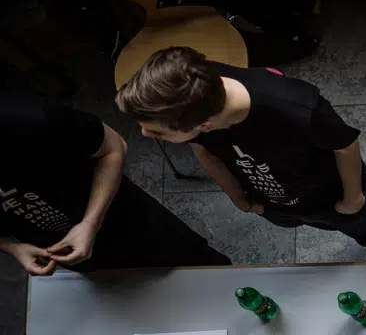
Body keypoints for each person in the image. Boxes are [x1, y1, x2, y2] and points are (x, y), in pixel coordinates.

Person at [115, 46, 366, 263]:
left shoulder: (296, 108)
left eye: (157, 133)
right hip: (277, 201)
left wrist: (353, 197)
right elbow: (202, 147)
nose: (146, 135)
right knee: (326, 226)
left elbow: (345, 145)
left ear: (205, 122)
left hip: (333, 196)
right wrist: (239, 198)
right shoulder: (194, 101)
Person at [1, 88, 229, 275]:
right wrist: (13, 248)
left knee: (208, 272)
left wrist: (90, 223)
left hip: (130, 222)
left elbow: (113, 148)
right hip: (66, 254)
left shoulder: (29, 120)